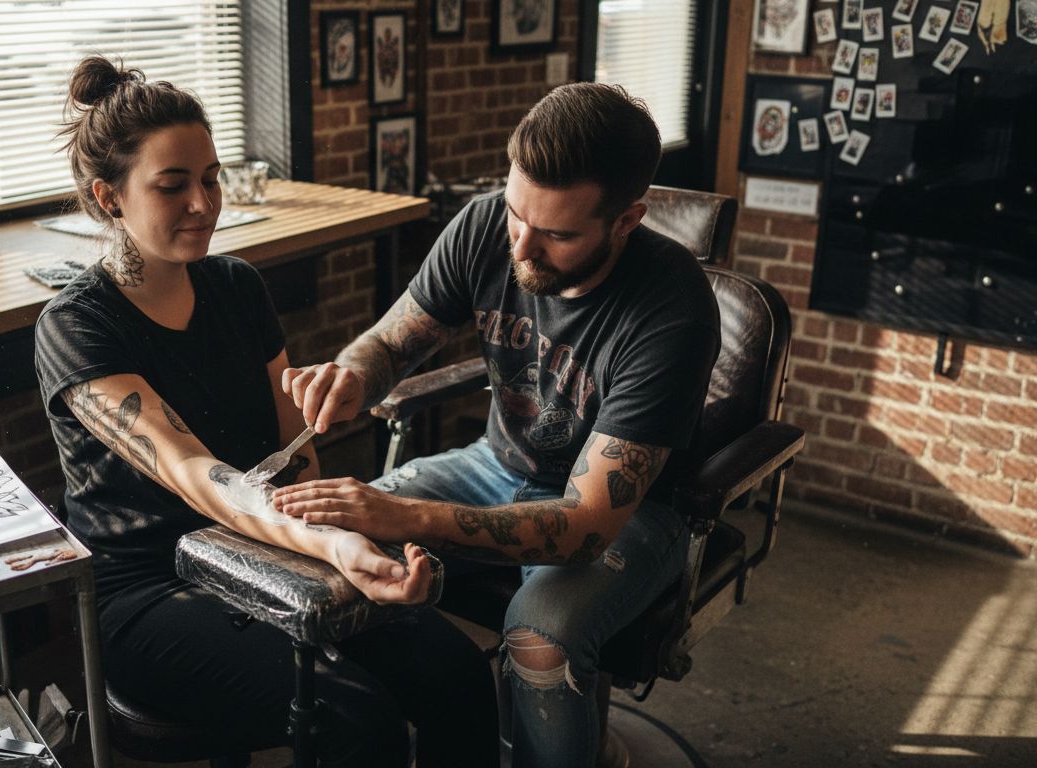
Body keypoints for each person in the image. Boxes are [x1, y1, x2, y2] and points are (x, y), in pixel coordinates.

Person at [34, 56, 497, 768]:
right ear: (108, 197)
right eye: (173, 185)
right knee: (353, 716)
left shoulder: (237, 287)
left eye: (212, 177)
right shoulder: (77, 326)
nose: (203, 203)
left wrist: (352, 547)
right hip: (150, 589)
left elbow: (296, 455)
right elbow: (194, 473)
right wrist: (336, 551)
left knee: (456, 673)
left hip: (271, 550)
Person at [272, 82, 721, 768]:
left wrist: (408, 516)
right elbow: (392, 344)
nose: (523, 246)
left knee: (539, 633)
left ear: (627, 220)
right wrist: (352, 375)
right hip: (493, 466)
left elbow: (583, 525)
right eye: (517, 214)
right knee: (331, 545)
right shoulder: (487, 223)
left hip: (629, 516)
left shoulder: (672, 307)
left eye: (558, 233)